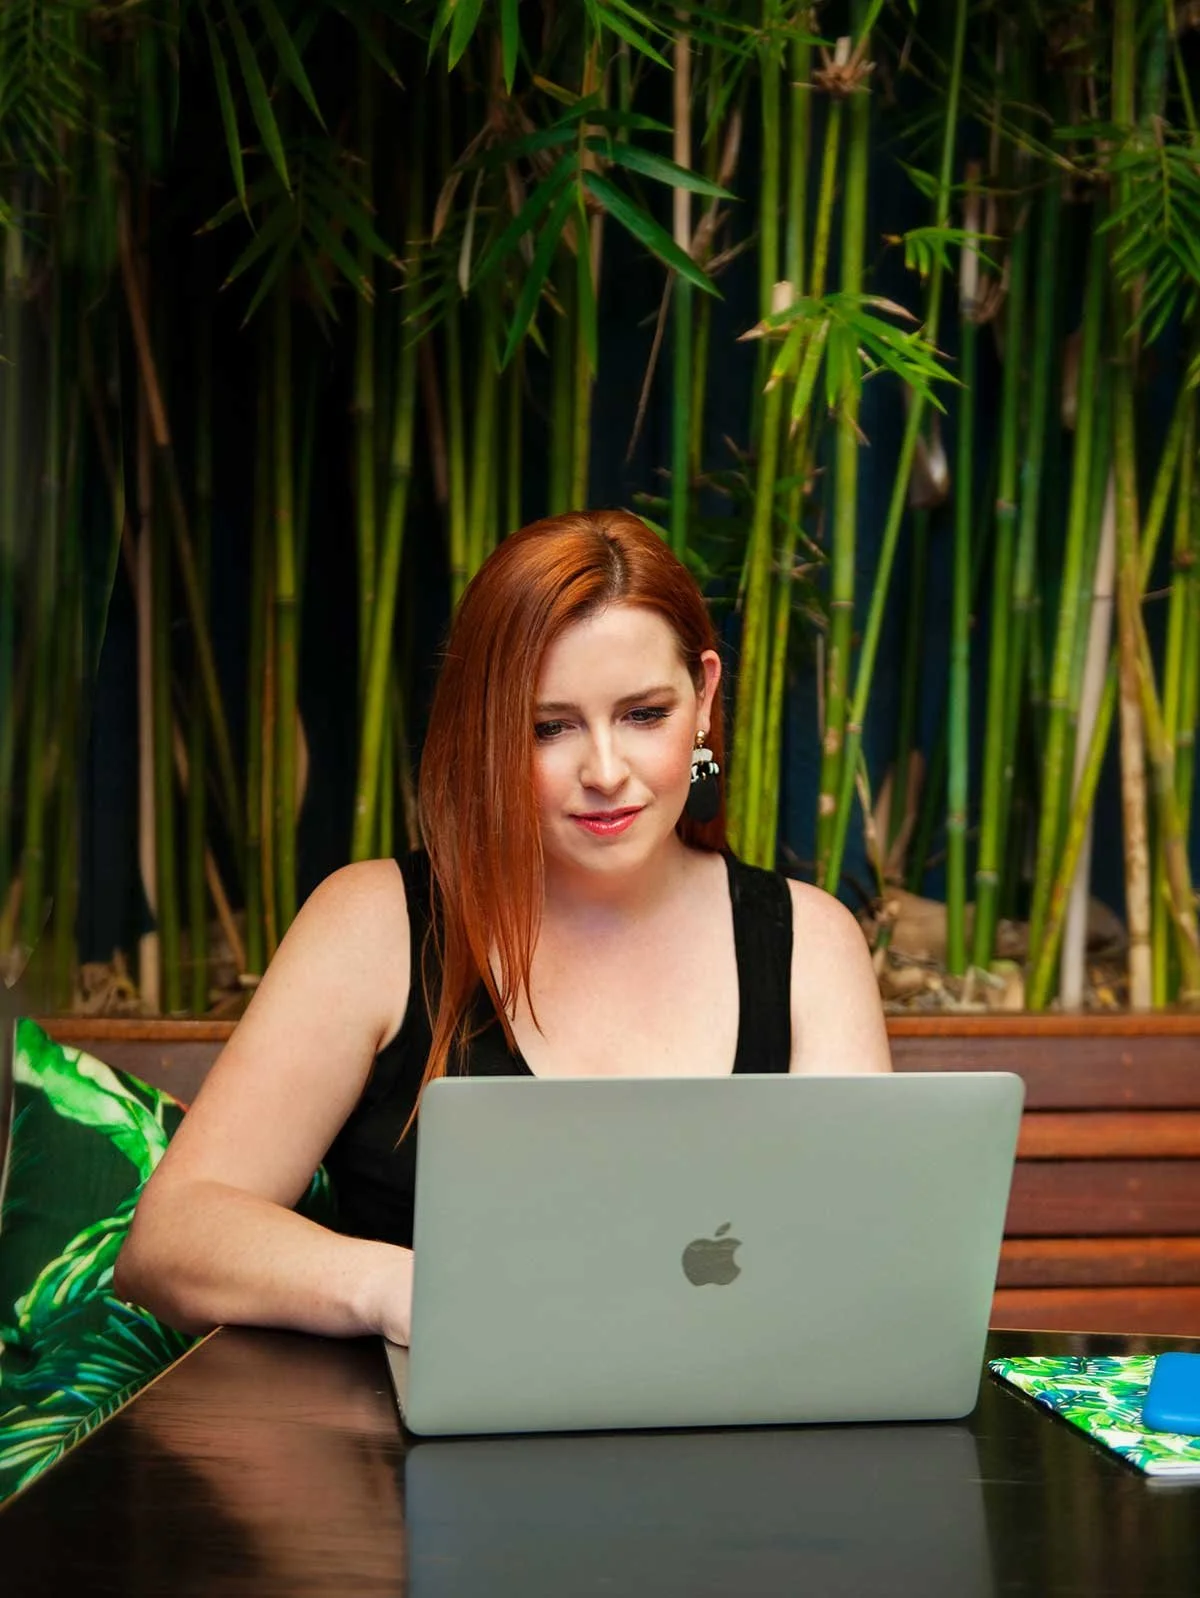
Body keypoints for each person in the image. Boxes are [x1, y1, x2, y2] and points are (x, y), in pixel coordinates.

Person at [115, 510, 891, 1347]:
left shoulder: (809, 943)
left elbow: (872, 1268)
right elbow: (170, 1240)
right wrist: (400, 1289)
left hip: (738, 1444)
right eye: (548, 727)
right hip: (419, 1461)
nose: (604, 771)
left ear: (702, 697)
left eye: (643, 714)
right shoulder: (376, 925)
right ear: (490, 728)